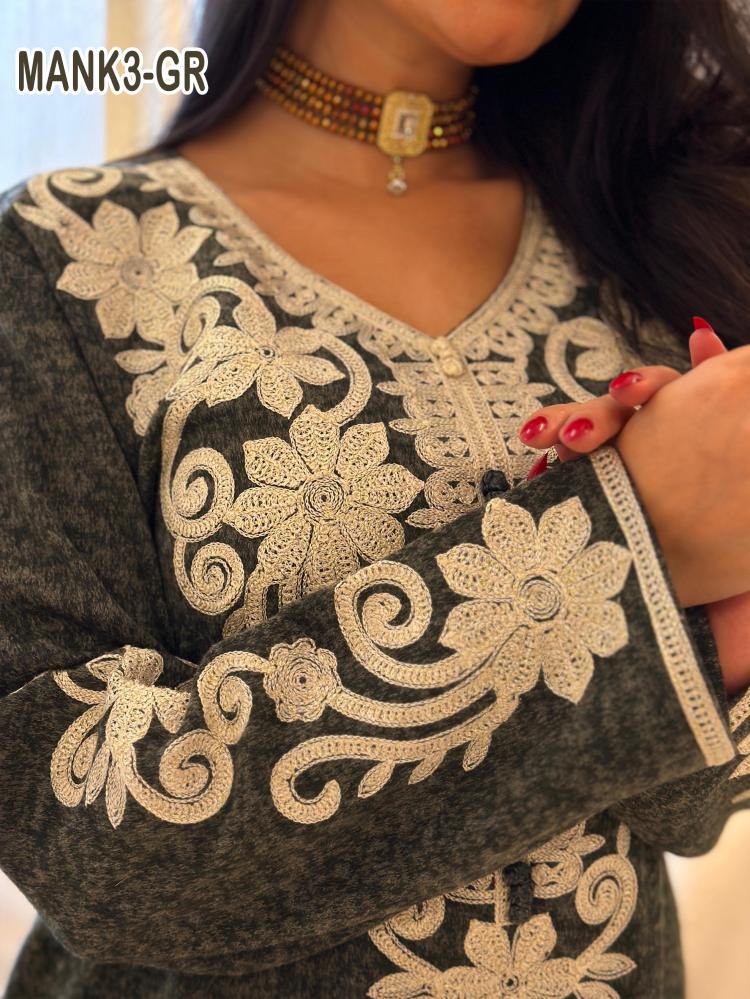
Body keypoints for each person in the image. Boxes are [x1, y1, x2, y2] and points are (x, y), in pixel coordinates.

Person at [1, 1, 749, 996]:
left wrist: (720, 623)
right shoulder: (66, 260)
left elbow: (691, 810)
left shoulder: (650, 229)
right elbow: (90, 845)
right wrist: (621, 548)